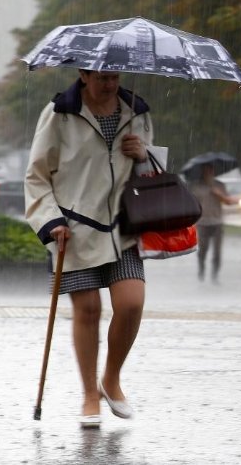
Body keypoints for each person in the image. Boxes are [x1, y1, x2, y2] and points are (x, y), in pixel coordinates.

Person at [25, 70, 154, 429]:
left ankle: (110, 379)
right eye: (101, 77)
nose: (109, 84)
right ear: (83, 74)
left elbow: (154, 170)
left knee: (131, 303)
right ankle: (88, 395)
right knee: (88, 310)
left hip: (123, 227)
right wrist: (51, 222)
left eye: (114, 77)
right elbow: (36, 175)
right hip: (74, 229)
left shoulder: (137, 111)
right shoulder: (60, 111)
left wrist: (144, 153)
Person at [189, 164, 238, 283]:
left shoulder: (220, 185)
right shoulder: (196, 186)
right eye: (206, 170)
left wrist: (219, 194)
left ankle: (215, 276)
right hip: (202, 223)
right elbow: (192, 203)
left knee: (217, 252)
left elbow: (229, 202)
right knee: (203, 250)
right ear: (202, 171)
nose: (208, 172)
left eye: (211, 170)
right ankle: (201, 270)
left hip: (217, 222)